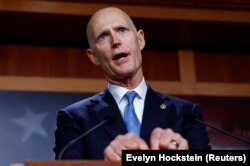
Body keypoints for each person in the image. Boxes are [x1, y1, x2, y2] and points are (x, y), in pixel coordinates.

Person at [53, 7, 211, 161]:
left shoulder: (186, 114)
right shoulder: (74, 119)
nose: (115, 41)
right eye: (103, 36)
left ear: (140, 39)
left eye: (122, 30)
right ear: (94, 56)